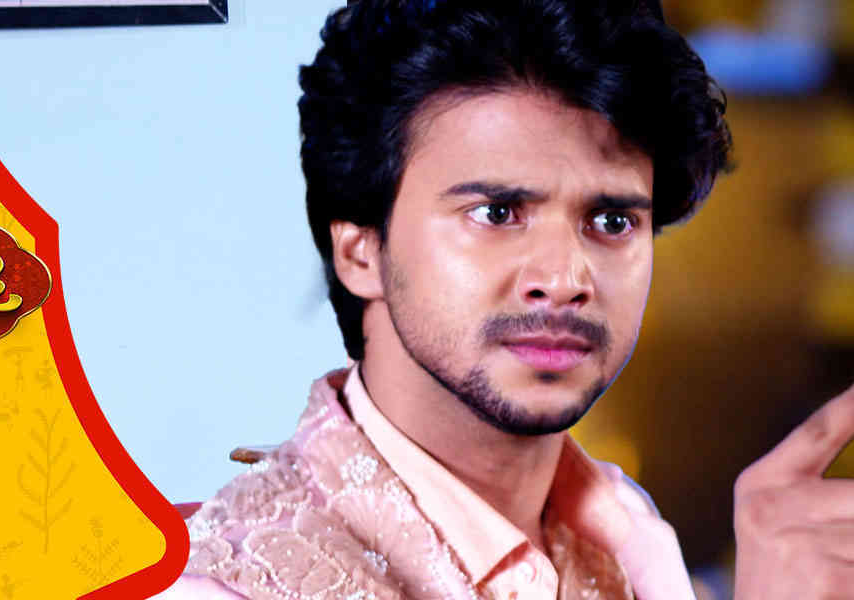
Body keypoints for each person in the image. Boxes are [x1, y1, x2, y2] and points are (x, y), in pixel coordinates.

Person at [158, 1, 730, 598]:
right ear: (361, 252)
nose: (564, 278)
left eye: (612, 221)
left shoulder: (629, 536)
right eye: (497, 213)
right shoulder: (221, 586)